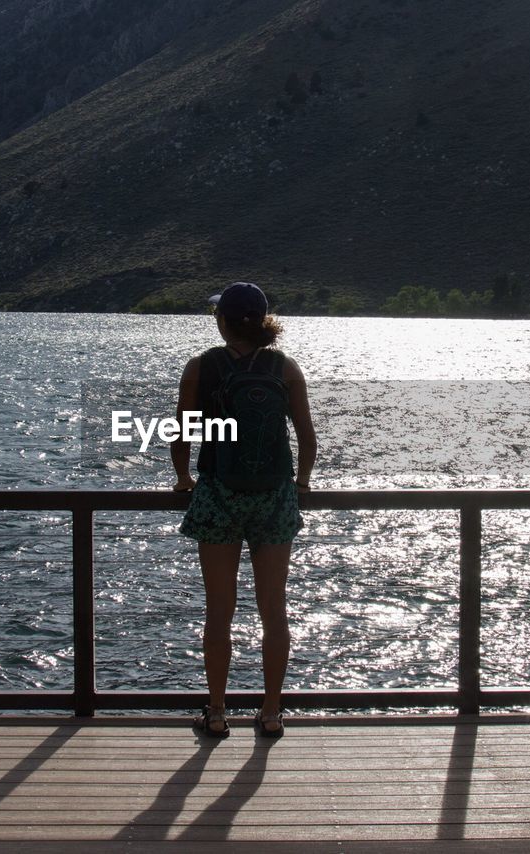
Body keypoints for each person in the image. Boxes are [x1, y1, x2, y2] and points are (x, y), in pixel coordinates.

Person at [171, 282, 316, 739]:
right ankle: (271, 713)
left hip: (218, 495)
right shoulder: (285, 366)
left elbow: (182, 433)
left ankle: (216, 712)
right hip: (273, 496)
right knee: (274, 611)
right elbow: (307, 438)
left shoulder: (201, 366)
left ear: (223, 320)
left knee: (220, 612)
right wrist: (302, 483)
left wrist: (183, 479)